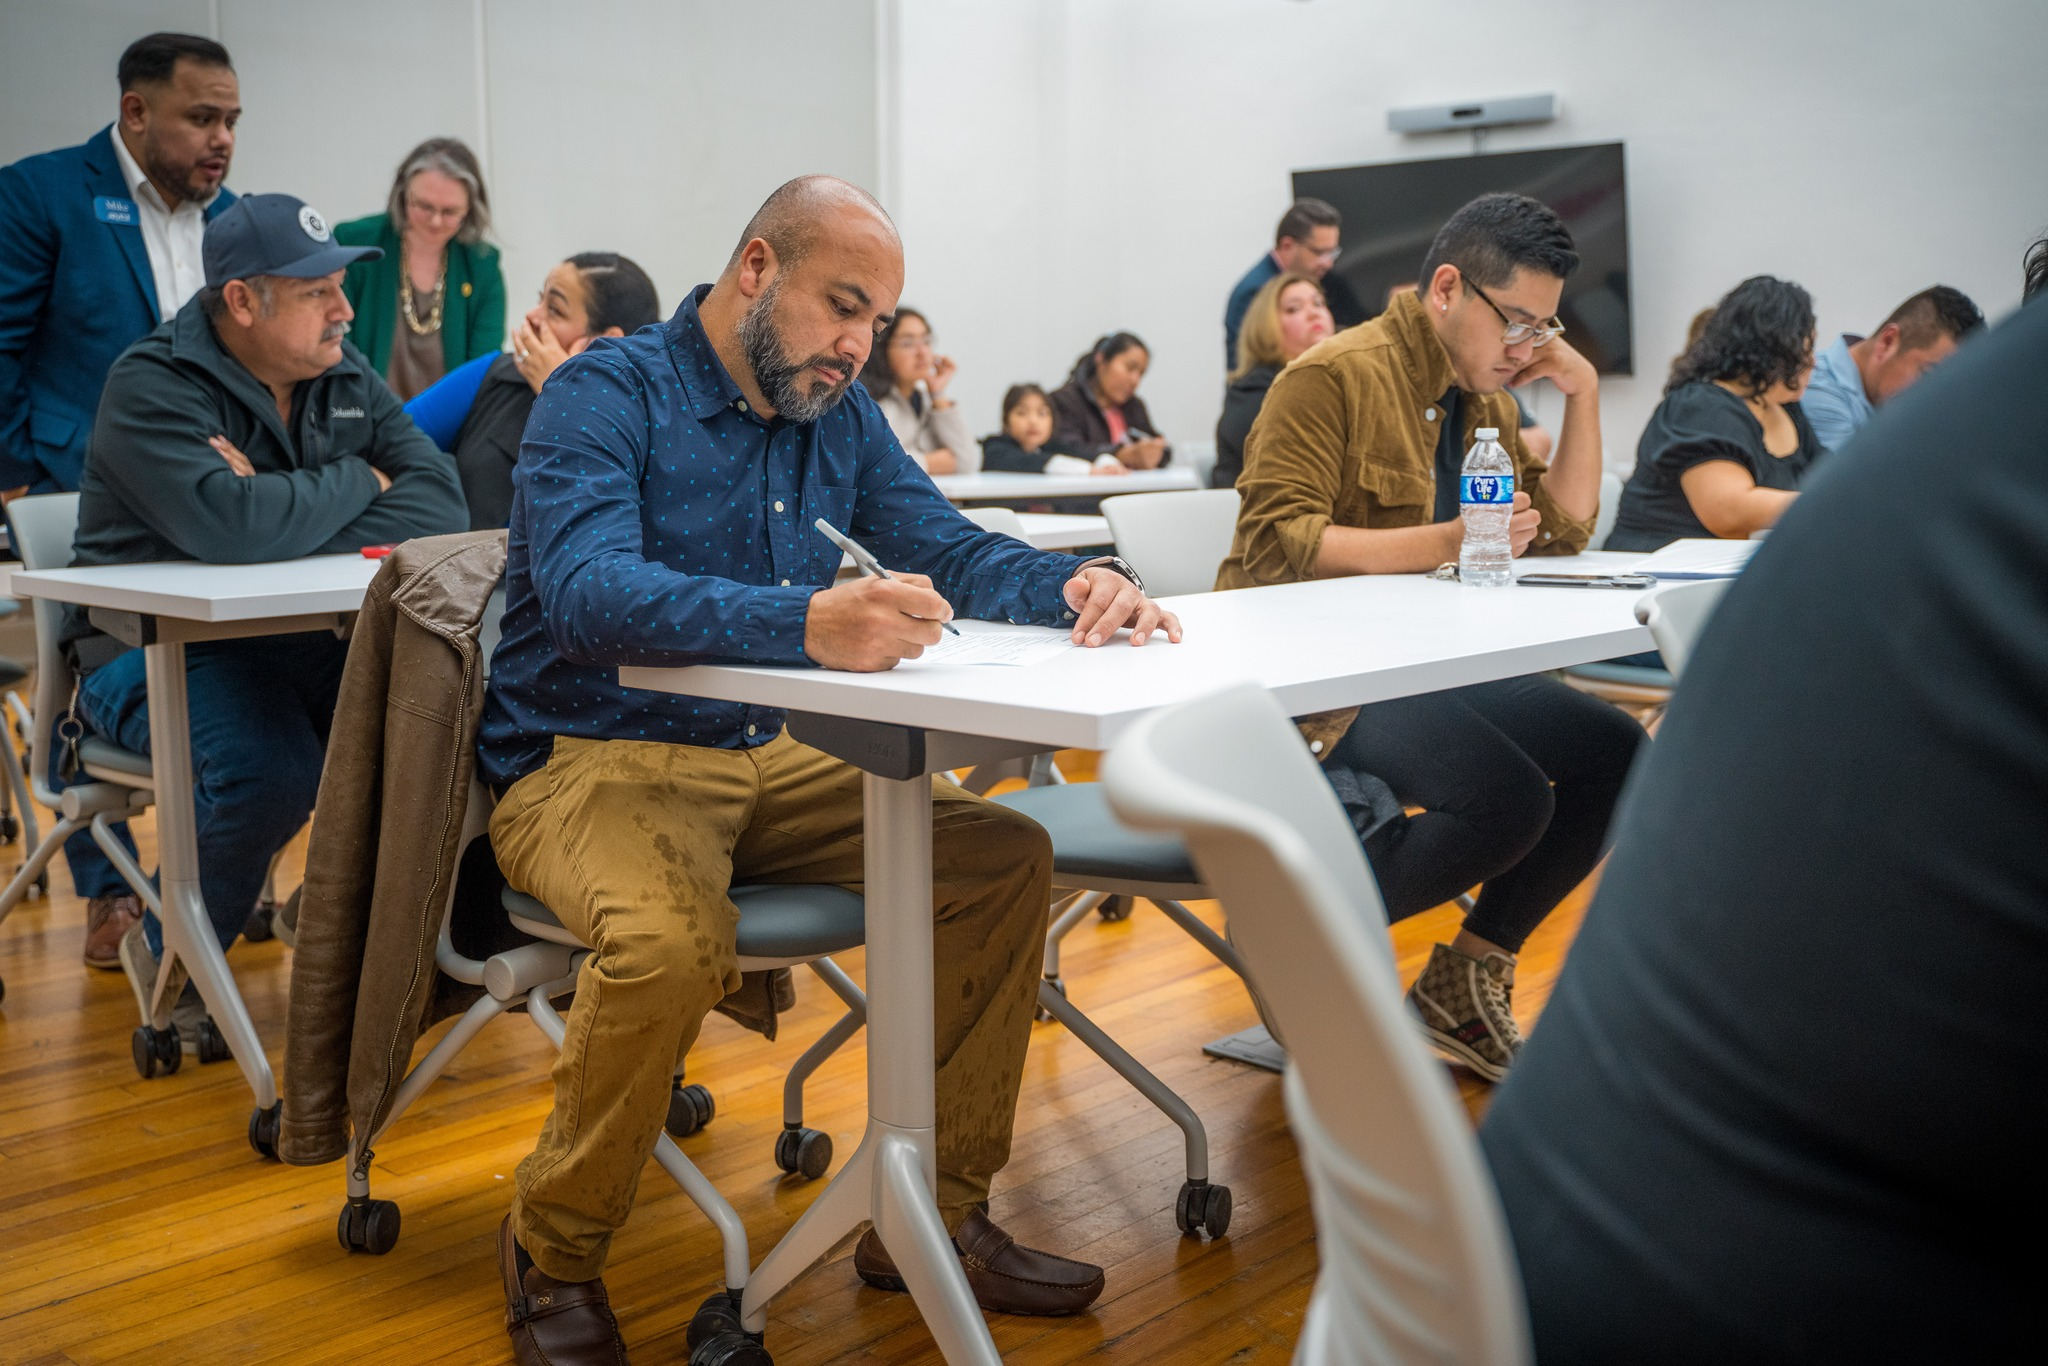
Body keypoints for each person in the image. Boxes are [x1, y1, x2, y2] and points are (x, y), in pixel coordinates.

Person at [477, 174, 1180, 1364]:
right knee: (668, 943)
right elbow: (588, 595)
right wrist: (803, 623)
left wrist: (1071, 584)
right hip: (589, 757)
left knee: (1002, 857)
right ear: (756, 268)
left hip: (763, 748)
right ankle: (553, 1249)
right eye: (842, 306)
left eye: (877, 321)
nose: (858, 346)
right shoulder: (607, 391)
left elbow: (945, 546)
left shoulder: (835, 413)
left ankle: (930, 1216)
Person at [1480, 294, 2048, 1366]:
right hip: (1628, 623)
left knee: (1592, 763)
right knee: (1521, 787)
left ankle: (1458, 974)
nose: (1812, 362)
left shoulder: (1860, 442)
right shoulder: (1712, 410)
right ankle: (1447, 971)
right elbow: (1713, 511)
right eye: (1802, 348)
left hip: (1586, 1239)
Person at [1218, 191, 1641, 1081]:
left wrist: (1583, 392)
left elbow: (1563, 531)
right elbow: (1279, 544)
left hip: (1415, 664)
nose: (1525, 348)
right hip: (1314, 677)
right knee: (1510, 799)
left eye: (1543, 328)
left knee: (1615, 751)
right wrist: (1451, 541)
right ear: (1448, 288)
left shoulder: (1484, 402)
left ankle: (1463, 982)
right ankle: (1288, 926)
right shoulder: (1331, 377)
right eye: (1515, 322)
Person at [59, 194, 466, 1038]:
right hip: (141, 654)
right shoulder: (152, 384)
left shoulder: (338, 368)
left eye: (340, 286)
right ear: (243, 301)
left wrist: (273, 504)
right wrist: (361, 480)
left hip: (285, 642)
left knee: (435, 726)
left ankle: (344, 935)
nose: (344, 309)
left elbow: (440, 499)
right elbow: (229, 529)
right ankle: (169, 953)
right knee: (270, 770)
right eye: (318, 291)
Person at [0, 32, 240, 499]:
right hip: (65, 483)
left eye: (231, 121)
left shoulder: (233, 216)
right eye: (202, 118)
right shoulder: (39, 193)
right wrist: (15, 473)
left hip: (202, 494)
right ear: (136, 112)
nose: (223, 139)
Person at [1607, 276, 1822, 552]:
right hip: (1656, 564)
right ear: (1776, 349)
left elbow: (1826, 474)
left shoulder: (1786, 407)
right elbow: (1727, 513)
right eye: (1807, 348)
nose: (1813, 361)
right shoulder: (1700, 405)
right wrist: (1830, 501)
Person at [451, 252, 659, 529]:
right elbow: (398, 439)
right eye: (541, 299)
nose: (532, 316)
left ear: (605, 341)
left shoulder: (645, 427)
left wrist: (561, 395)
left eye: (554, 309)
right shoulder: (498, 373)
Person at [335, 138, 505, 400]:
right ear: (402, 195)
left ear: (470, 209)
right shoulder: (356, 244)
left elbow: (482, 371)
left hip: (451, 420)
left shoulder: (482, 264)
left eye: (450, 212)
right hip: (363, 411)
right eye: (424, 206)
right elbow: (337, 346)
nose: (435, 221)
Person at [1801, 285, 1984, 451]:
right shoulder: (1818, 390)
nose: (1934, 397)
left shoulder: (1881, 403)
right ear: (1887, 342)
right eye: (1928, 375)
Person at [1212, 270, 1334, 488]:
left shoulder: (1338, 381)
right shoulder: (1252, 393)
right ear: (1266, 327)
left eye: (1318, 303)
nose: (1314, 313)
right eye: (1294, 309)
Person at [1223, 198, 1341, 366]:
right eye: (1319, 253)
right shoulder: (1255, 291)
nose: (1328, 263)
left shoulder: (1318, 277)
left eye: (1332, 253)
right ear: (1287, 245)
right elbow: (1248, 365)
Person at [859, 306, 976, 473]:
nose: (922, 352)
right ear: (882, 350)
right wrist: (931, 463)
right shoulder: (872, 403)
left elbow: (967, 462)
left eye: (926, 341)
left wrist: (938, 395)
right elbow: (874, 460)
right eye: (908, 344)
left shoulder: (925, 402)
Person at [1048, 333, 1170, 469]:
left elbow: (1162, 447)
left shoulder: (1134, 406)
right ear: (1101, 360)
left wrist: (1155, 451)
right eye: (1129, 368)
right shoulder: (1065, 401)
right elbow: (1065, 449)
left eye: (1141, 373)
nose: (1135, 380)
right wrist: (1119, 454)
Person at [980, 382, 1125, 475]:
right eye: (1022, 413)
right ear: (1006, 420)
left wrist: (1107, 462)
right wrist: (1088, 470)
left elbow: (1084, 454)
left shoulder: (1053, 446)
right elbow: (1034, 461)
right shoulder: (994, 448)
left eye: (1042, 413)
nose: (1033, 421)